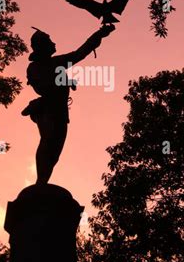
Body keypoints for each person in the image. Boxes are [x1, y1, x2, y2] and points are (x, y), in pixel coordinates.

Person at [22, 25, 115, 184]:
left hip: (60, 110)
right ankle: (40, 182)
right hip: (46, 108)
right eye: (49, 41)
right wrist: (64, 82)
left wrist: (99, 34)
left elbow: (81, 53)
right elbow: (43, 87)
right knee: (48, 140)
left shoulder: (57, 62)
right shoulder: (35, 67)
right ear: (42, 46)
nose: (54, 43)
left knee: (55, 150)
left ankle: (43, 182)